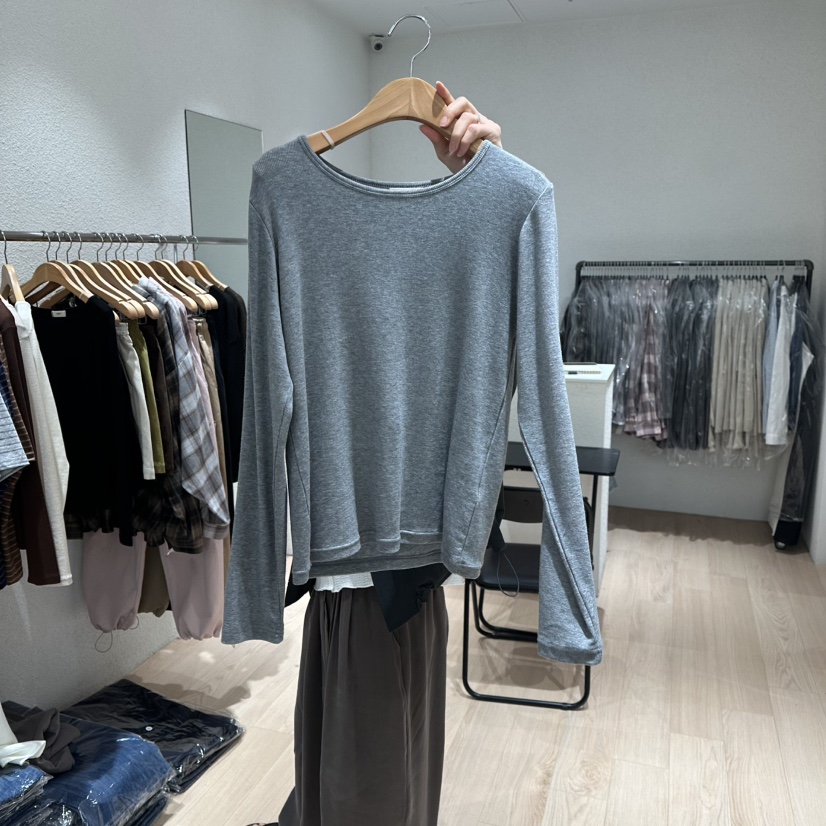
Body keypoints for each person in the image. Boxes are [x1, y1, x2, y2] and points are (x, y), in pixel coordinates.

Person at [248, 83, 503, 826]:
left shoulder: (505, 203)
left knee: (368, 766)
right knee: (372, 766)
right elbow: (269, 401)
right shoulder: (283, 190)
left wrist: (485, 180)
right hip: (361, 575)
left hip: (390, 578)